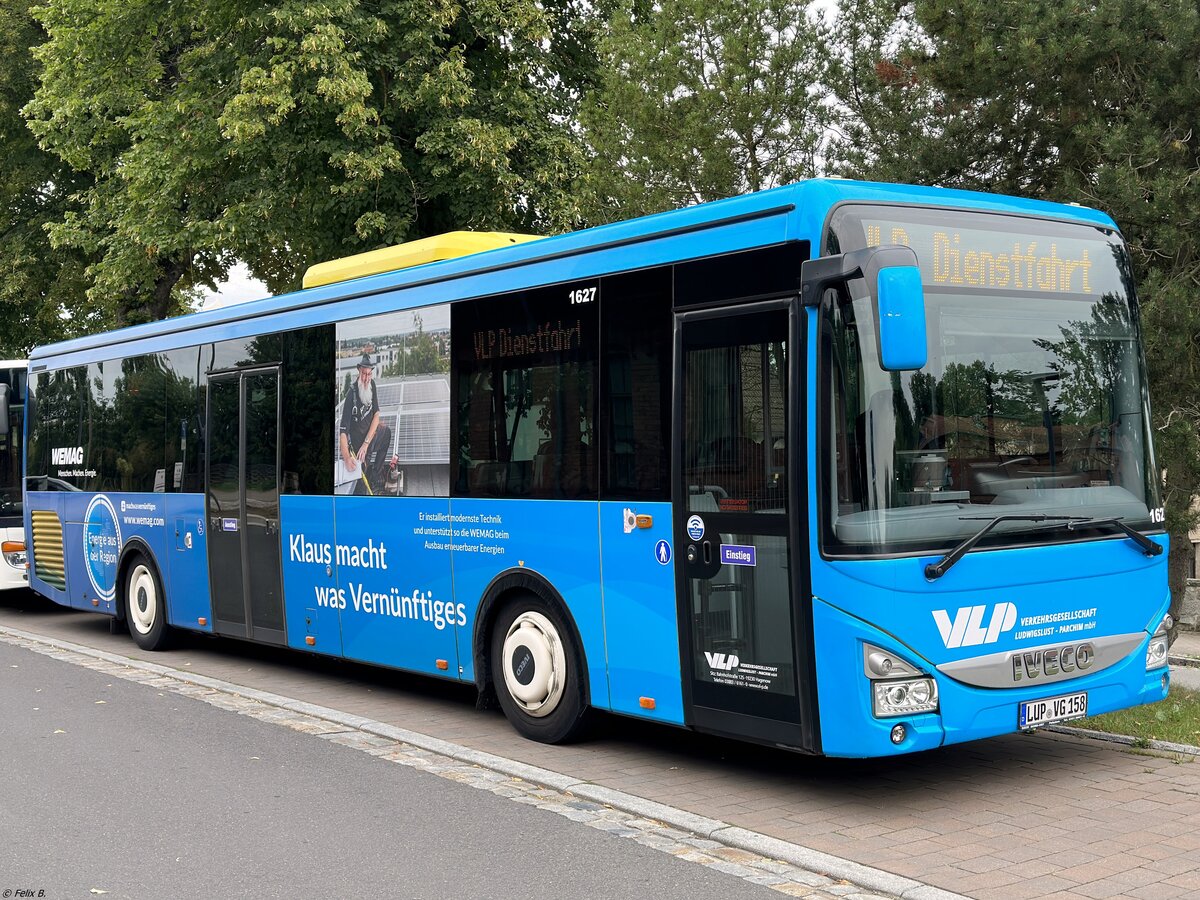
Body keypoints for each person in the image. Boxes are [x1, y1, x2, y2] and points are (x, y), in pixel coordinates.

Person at [339, 352, 394, 494]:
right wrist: (347, 458)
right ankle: (366, 482)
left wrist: (367, 442)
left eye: (369, 374)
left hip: (370, 438)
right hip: (359, 448)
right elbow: (343, 432)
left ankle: (376, 475)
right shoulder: (351, 395)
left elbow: (376, 414)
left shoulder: (372, 385)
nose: (366, 378)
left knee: (386, 433)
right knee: (361, 489)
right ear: (359, 371)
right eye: (364, 374)